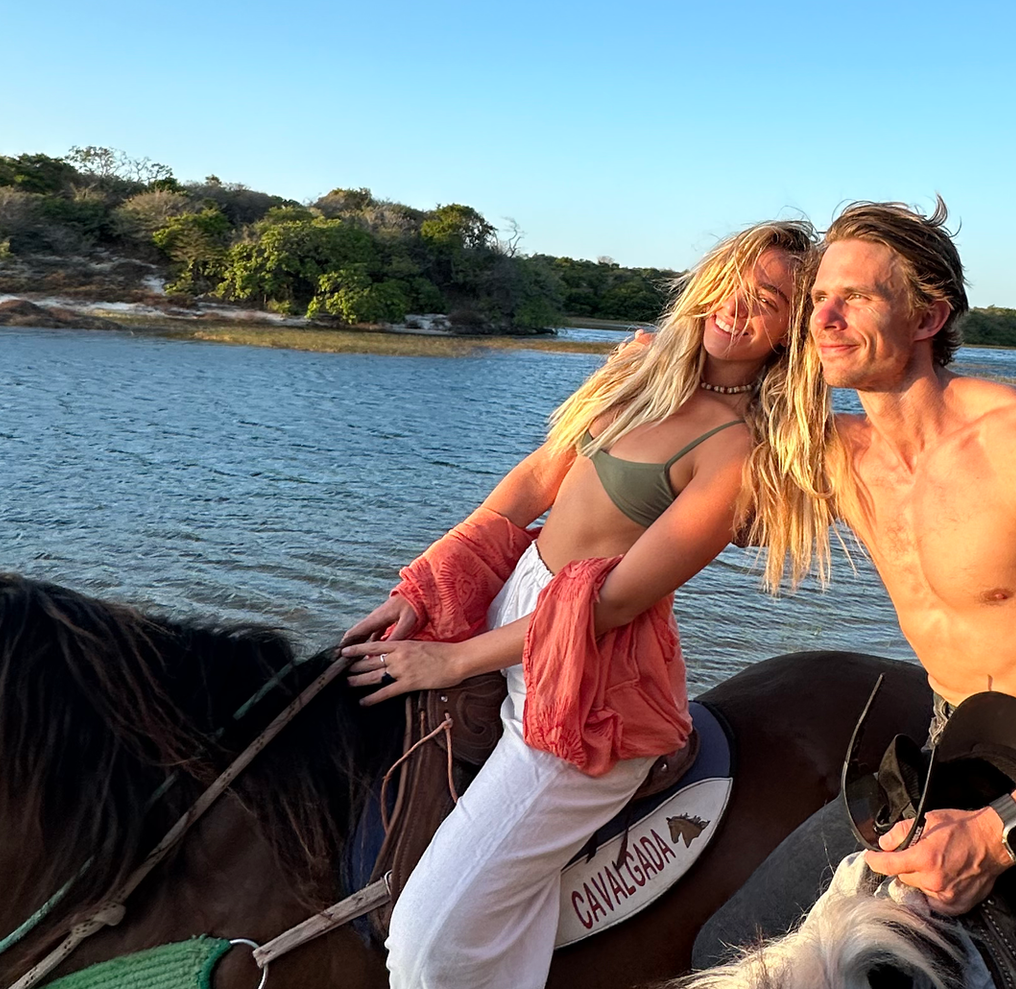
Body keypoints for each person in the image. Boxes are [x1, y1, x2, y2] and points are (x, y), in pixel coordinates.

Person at [697, 200, 1016, 987]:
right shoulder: (837, 455)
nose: (824, 319)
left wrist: (997, 835)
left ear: (929, 314)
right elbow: (715, 512)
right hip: (955, 750)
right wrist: (678, 366)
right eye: (815, 302)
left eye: (857, 298)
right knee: (725, 949)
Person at [339, 219, 813, 989]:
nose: (736, 309)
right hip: (521, 616)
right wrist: (424, 588)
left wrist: (451, 659)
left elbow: (615, 602)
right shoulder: (643, 374)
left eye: (767, 302)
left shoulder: (737, 450)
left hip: (586, 688)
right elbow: (531, 485)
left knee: (427, 947)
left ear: (791, 334)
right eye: (731, 284)